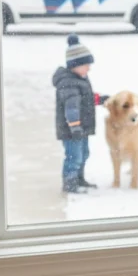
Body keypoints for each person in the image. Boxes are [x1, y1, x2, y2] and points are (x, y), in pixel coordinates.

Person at [53, 34, 108, 194]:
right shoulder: (69, 83)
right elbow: (71, 108)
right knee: (73, 157)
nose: (89, 68)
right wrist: (75, 126)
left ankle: (79, 179)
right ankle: (69, 184)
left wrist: (99, 99)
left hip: (80, 128)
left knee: (84, 154)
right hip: (72, 130)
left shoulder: (80, 79)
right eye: (86, 65)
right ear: (74, 65)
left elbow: (86, 99)